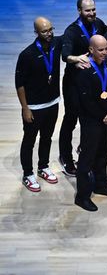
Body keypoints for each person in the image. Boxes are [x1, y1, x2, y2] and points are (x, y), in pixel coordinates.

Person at [59, 0, 107, 177]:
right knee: (71, 119)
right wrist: (76, 58)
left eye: (93, 9)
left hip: (92, 82)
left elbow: (106, 36)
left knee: (88, 118)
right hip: (73, 83)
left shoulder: (98, 24)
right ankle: (65, 156)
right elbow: (65, 55)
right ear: (79, 11)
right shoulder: (72, 31)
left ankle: (85, 149)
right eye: (87, 10)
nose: (91, 13)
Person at [15, 17, 63, 192]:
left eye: (51, 29)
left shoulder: (57, 44)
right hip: (34, 108)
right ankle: (28, 174)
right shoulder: (27, 55)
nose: (49, 33)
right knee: (29, 140)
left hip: (52, 103)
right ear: (36, 32)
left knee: (47, 137)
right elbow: (19, 84)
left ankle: (43, 167)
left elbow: (76, 34)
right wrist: (25, 108)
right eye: (45, 31)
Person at [74, 35, 107, 212]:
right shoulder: (84, 70)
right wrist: (104, 115)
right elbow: (85, 101)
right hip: (91, 120)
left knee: (103, 153)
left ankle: (100, 185)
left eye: (105, 49)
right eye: (100, 50)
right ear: (91, 50)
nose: (104, 53)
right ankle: (82, 196)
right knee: (87, 158)